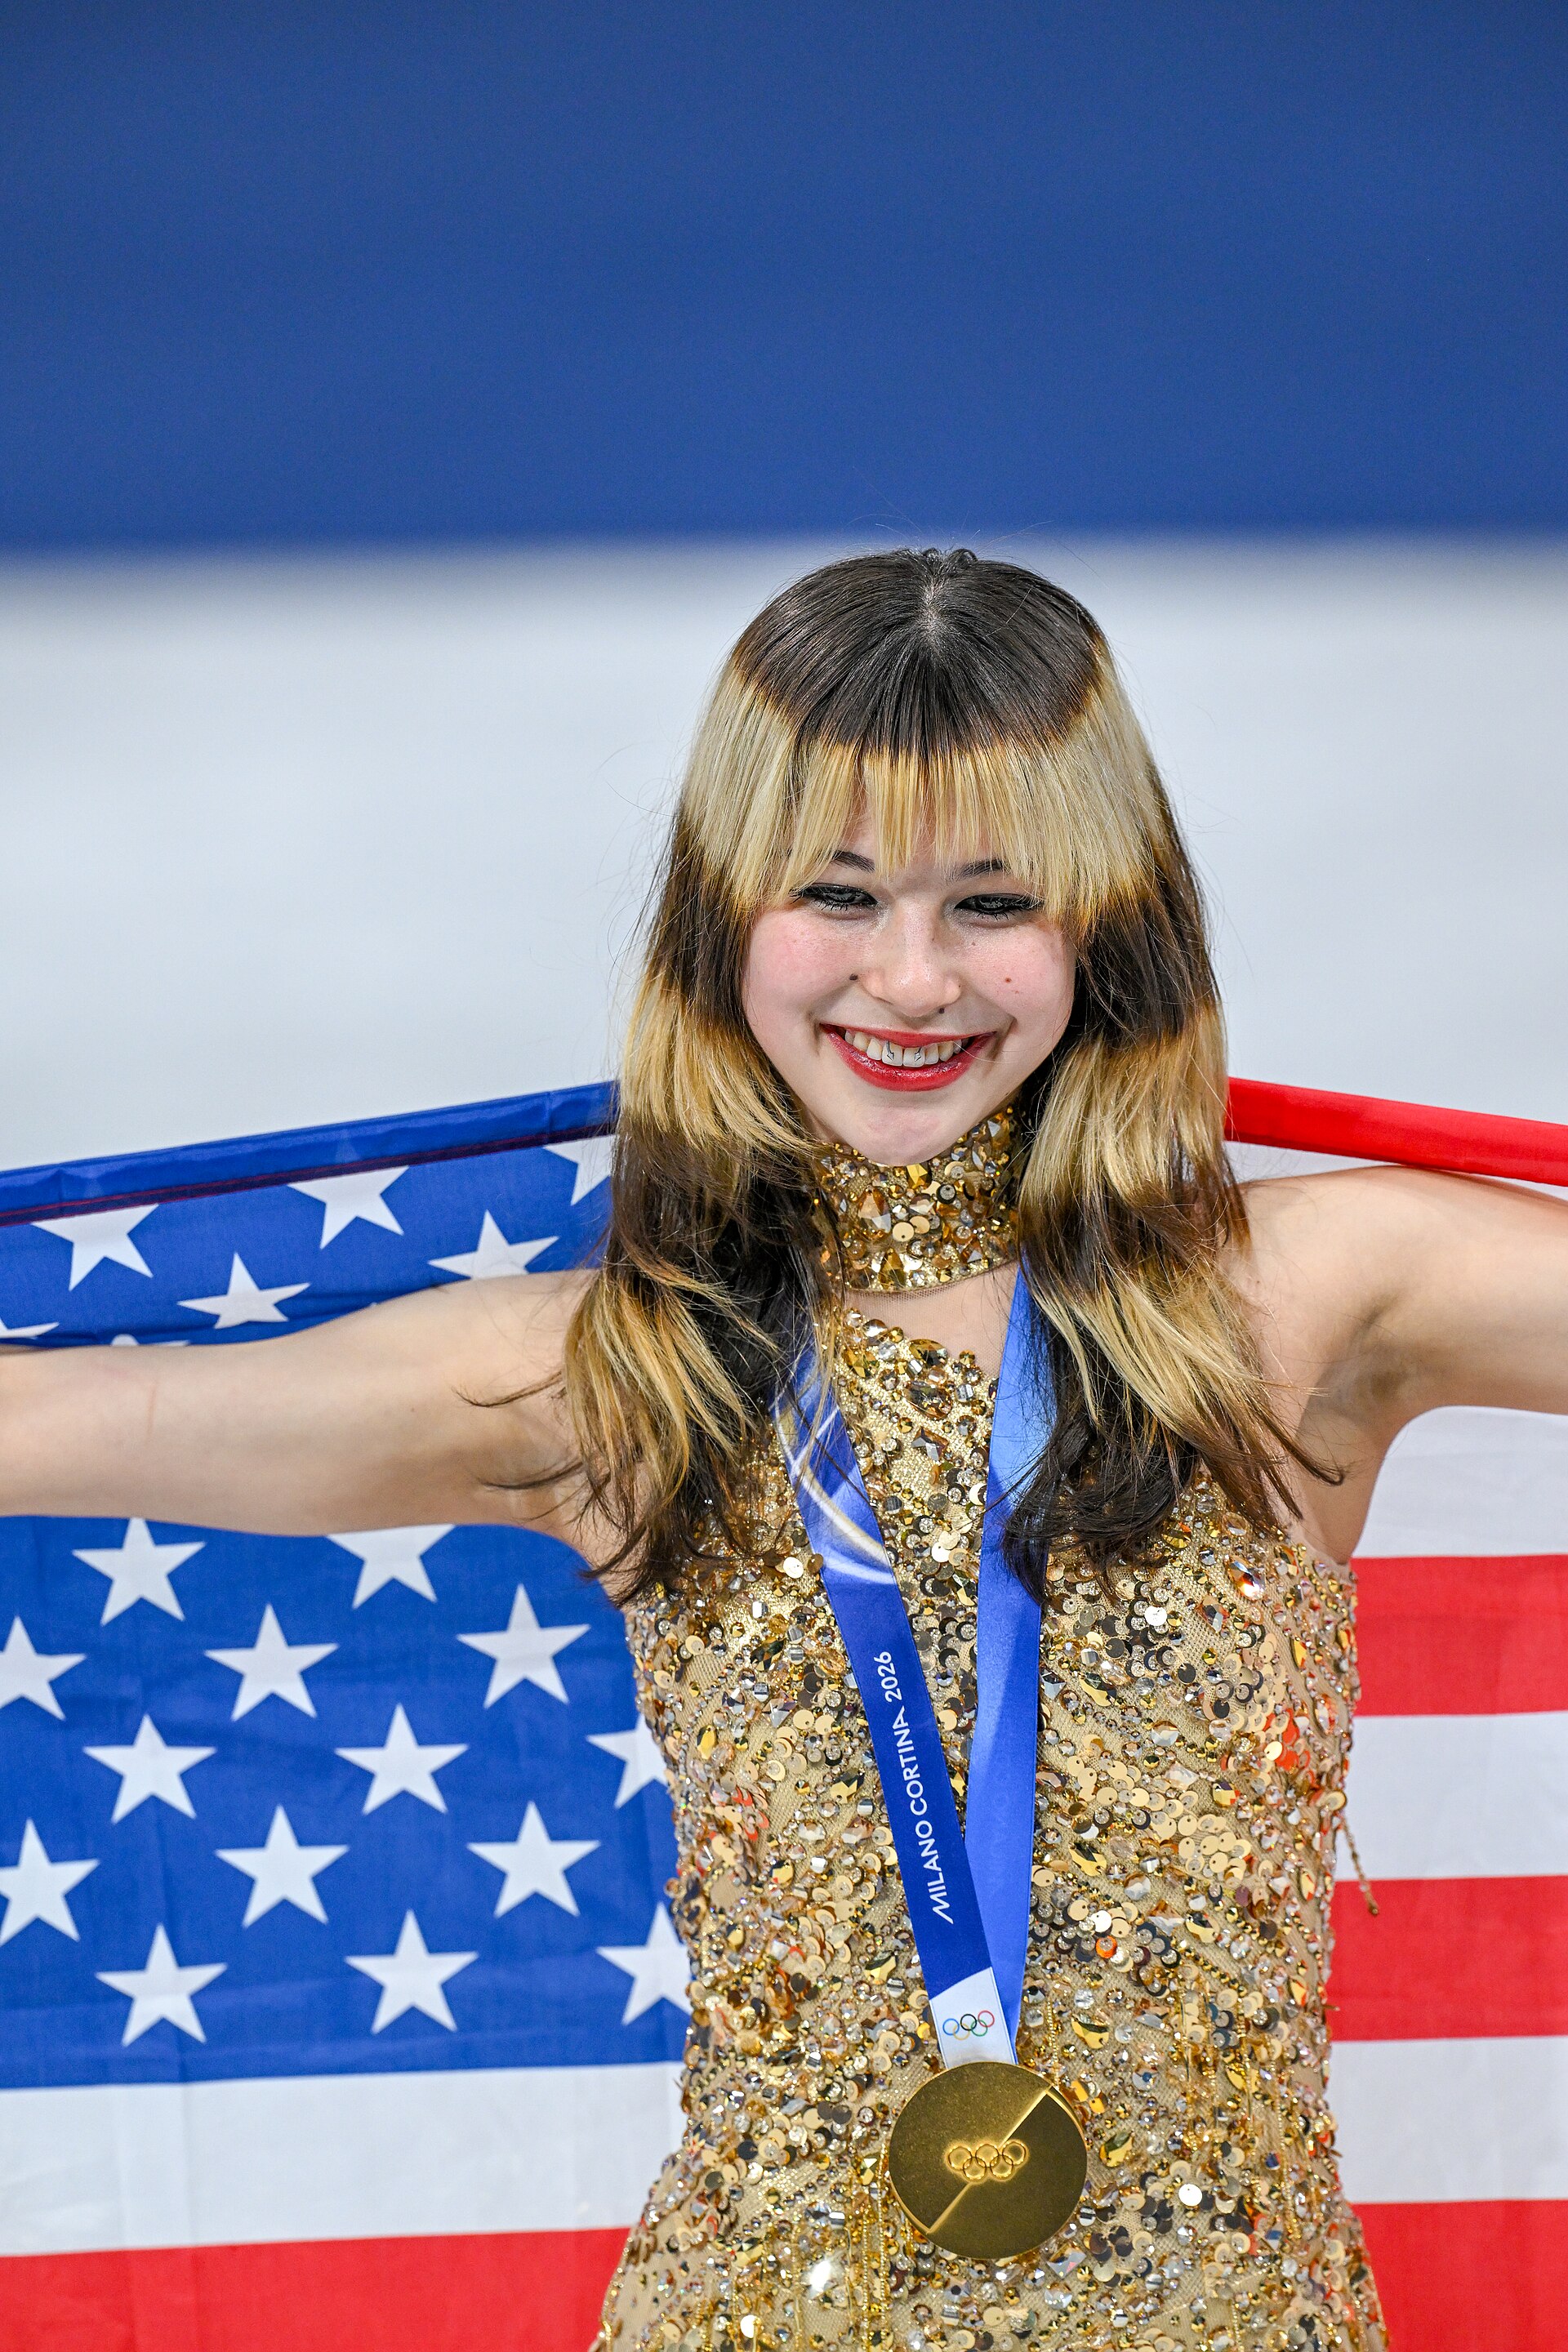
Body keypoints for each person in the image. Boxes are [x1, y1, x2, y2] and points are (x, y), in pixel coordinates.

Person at [3, 549, 1566, 2351]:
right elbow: (74, 1416)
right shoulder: (619, 1380)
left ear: (1112, 915)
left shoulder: (1307, 1305)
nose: (911, 980)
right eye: (837, 894)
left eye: (994, 902)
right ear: (721, 913)